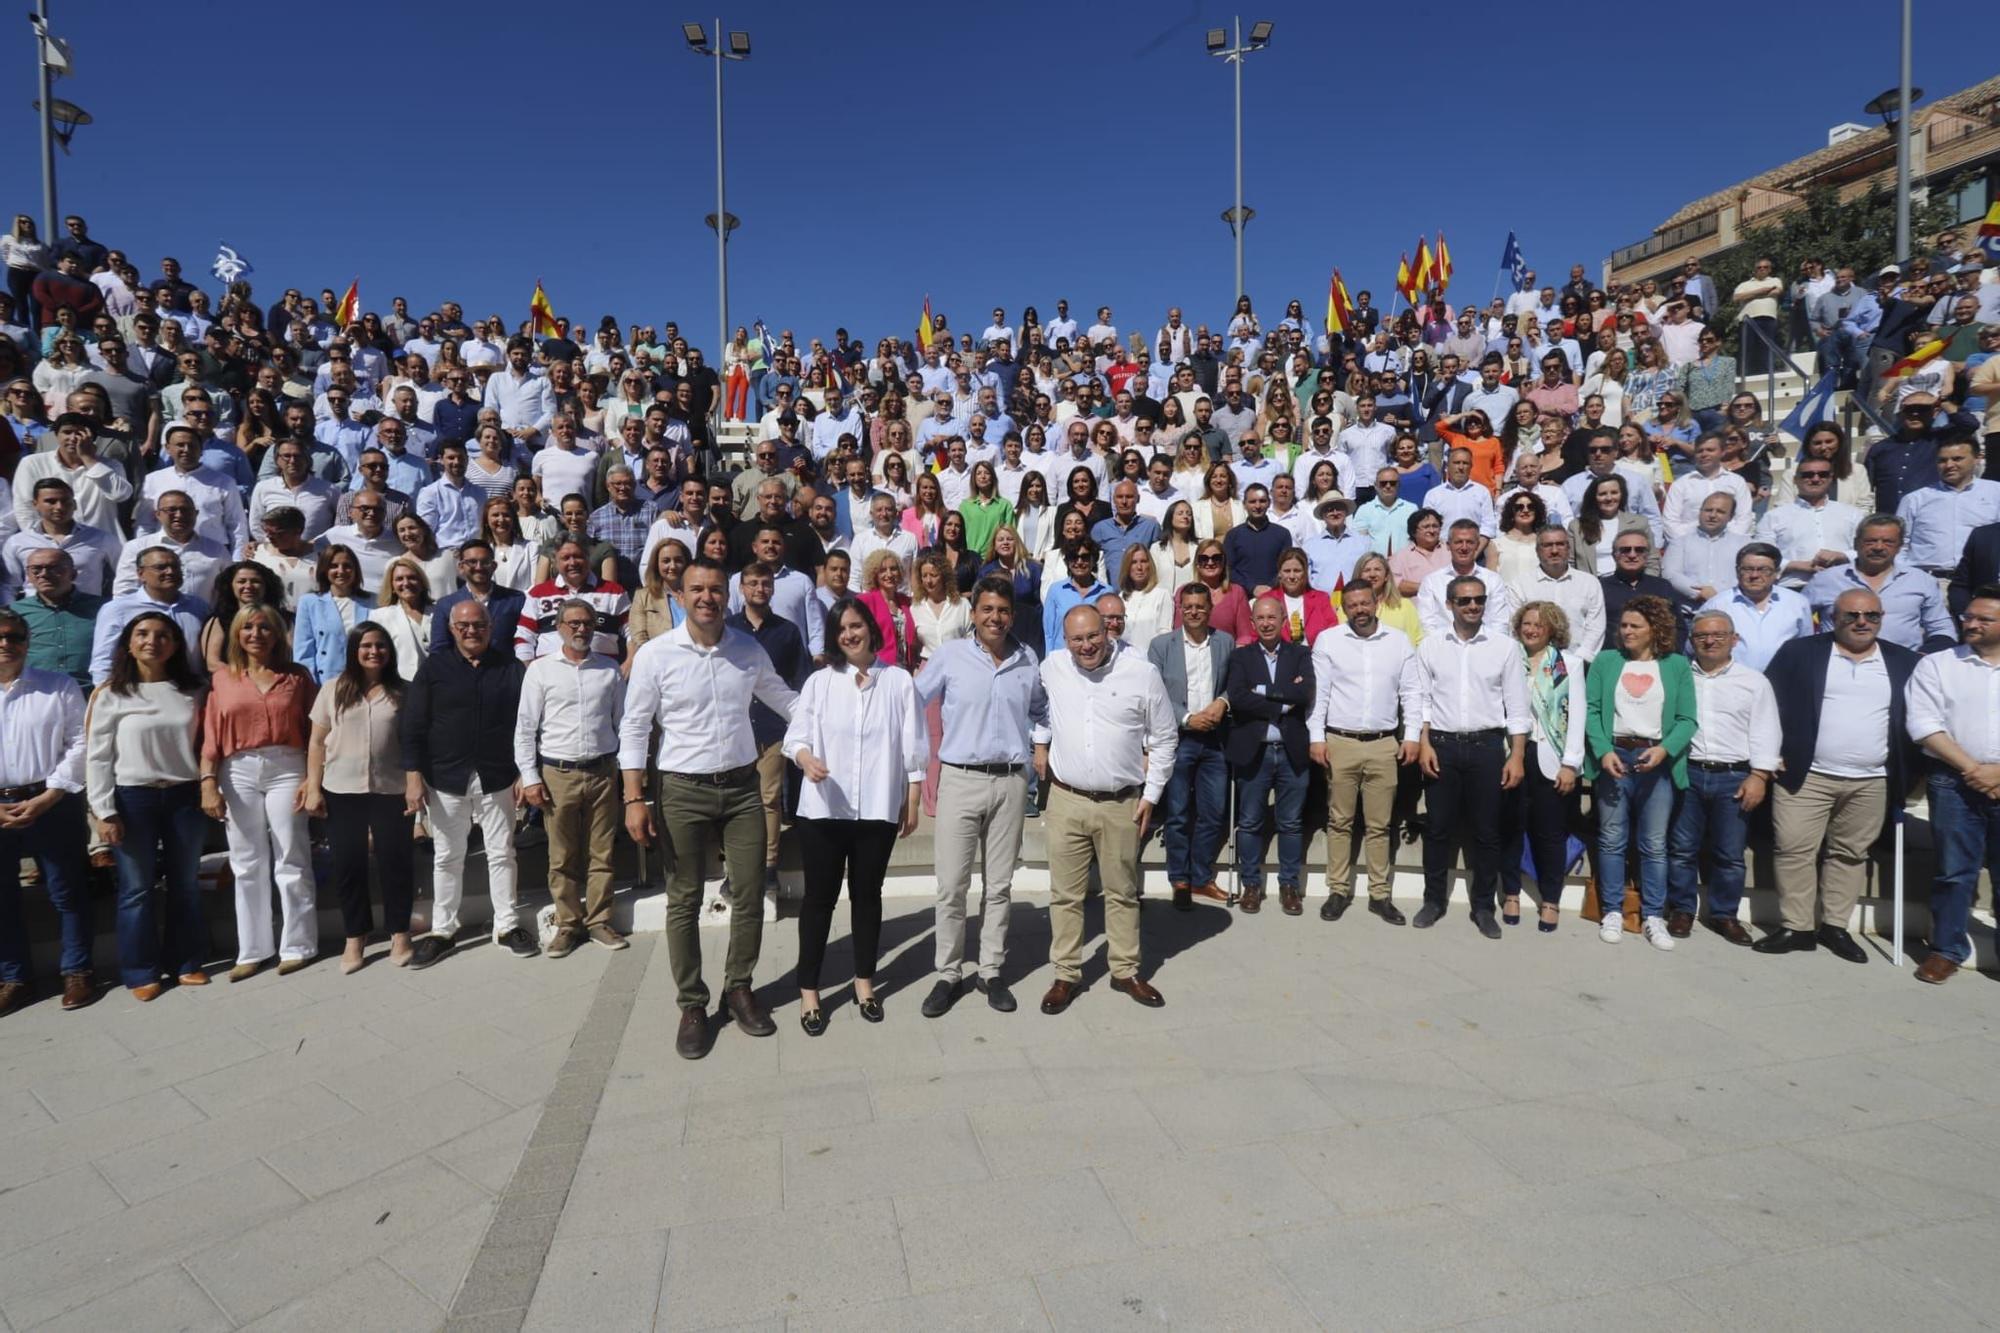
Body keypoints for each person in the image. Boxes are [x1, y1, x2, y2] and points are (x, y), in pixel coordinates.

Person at [621, 559, 800, 1060]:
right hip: (682, 790)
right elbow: (634, 729)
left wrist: (837, 713)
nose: (707, 598)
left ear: (730, 596)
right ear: (680, 595)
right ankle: (693, 1004)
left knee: (749, 894)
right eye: (697, 589)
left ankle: (739, 988)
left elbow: (785, 700)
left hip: (743, 788)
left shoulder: (747, 649)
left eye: (716, 589)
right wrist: (635, 798)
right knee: (683, 900)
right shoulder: (657, 656)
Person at [1755, 589, 1921, 961]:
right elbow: (1766, 702)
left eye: (1872, 616)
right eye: (1852, 615)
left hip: (1872, 779)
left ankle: (1835, 927)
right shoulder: (1800, 653)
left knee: (1849, 854)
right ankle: (1797, 927)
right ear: (1834, 617)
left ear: (1881, 617)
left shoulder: (1903, 662)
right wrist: (1771, 754)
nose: (1862, 622)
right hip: (1806, 774)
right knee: (1794, 849)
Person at [785, 597, 925, 1034]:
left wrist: (913, 797)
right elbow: (797, 736)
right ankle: (809, 989)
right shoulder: (820, 683)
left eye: (856, 625)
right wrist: (806, 758)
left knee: (868, 897)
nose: (849, 634)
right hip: (824, 810)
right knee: (819, 901)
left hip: (877, 810)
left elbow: (914, 744)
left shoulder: (898, 681)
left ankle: (865, 983)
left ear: (870, 627)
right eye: (841, 628)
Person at [1034, 604, 1176, 1014]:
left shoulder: (1140, 673)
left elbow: (1165, 738)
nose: (1086, 646)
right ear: (1065, 640)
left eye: (1093, 636)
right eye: (1076, 639)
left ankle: (1125, 970)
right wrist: (1039, 743)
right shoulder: (1053, 667)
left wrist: (1151, 794)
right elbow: (1040, 711)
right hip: (1066, 799)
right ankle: (1065, 973)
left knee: (1123, 892)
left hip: (1122, 803)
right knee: (1065, 894)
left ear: (1109, 630)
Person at [915, 576, 1046, 1014]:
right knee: (952, 886)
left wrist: (1039, 745)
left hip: (1010, 781)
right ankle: (947, 973)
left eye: (1003, 610)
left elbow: (1041, 709)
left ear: (1012, 614)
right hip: (960, 779)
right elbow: (913, 699)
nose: (995, 618)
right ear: (974, 613)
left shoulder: (1026, 659)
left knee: (1000, 886)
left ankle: (991, 970)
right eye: (987, 609)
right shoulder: (951, 656)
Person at [401, 599, 537, 969]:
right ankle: (443, 932)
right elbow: (413, 726)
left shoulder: (510, 668)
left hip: (498, 775)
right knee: (447, 856)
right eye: (464, 626)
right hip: (445, 777)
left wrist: (525, 771)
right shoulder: (434, 669)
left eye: (479, 625)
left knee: (502, 851)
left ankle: (507, 926)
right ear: (452, 629)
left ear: (490, 628)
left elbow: (525, 725)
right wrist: (413, 777)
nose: (472, 631)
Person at [84, 612, 211, 1000]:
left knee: (185, 884)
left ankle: (186, 962)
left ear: (175, 644)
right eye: (142, 634)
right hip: (132, 797)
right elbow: (97, 756)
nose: (152, 641)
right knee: (136, 888)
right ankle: (140, 970)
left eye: (162, 635)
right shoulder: (111, 694)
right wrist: (103, 811)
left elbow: (206, 745)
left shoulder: (194, 691)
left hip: (183, 796)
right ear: (128, 642)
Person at [1410, 573, 1529, 938]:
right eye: (1465, 601)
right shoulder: (1431, 646)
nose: (1473, 606)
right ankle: (1433, 901)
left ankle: (1482, 907)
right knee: (1438, 828)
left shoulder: (1504, 647)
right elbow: (1422, 701)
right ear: (1450, 605)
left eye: (1479, 600)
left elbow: (1517, 706)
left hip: (1487, 748)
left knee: (1487, 832)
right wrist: (1424, 743)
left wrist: (1517, 756)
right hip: (1442, 746)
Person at [515, 598, 629, 958]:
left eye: (588, 622)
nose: (582, 629)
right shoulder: (540, 670)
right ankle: (568, 924)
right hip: (557, 774)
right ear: (559, 626)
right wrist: (530, 778)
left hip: (602, 772)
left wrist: (627, 773)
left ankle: (599, 921)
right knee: (561, 855)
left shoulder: (609, 670)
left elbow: (624, 723)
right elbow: (525, 729)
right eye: (574, 623)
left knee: (602, 852)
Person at [1583, 596, 1698, 950]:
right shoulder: (1606, 661)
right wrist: (1602, 752)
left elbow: (1686, 719)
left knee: (1653, 844)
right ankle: (1613, 911)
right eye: (1624, 625)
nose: (1627, 631)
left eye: (1636, 626)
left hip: (1656, 758)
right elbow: (1591, 709)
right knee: (1612, 839)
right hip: (1615, 756)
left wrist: (1664, 750)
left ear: (1655, 630)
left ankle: (1652, 915)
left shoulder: (1676, 665)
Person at [301, 623, 415, 973]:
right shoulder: (334, 689)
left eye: (381, 645)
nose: (374, 651)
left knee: (395, 864)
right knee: (348, 865)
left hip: (390, 788)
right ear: (354, 650)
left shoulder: (403, 691)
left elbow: (412, 744)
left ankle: (399, 932)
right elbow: (317, 742)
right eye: (366, 645)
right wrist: (314, 786)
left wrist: (414, 784)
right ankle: (356, 936)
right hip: (342, 789)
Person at [0, 610, 96, 1014]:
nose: (6, 643)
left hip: (51, 802)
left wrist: (49, 796)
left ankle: (77, 972)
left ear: (27, 640)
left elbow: (79, 743)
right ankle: (14, 978)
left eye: (14, 636)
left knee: (67, 892)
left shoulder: (57, 686)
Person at [1667, 612, 1780, 946]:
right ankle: (1682, 909)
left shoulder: (1753, 681)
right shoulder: (1680, 676)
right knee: (1682, 848)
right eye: (1701, 635)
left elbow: (1766, 730)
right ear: (1691, 640)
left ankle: (1724, 915)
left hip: (1734, 776)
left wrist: (1759, 775)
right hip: (1688, 771)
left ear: (1734, 639)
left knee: (1729, 853)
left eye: (1718, 635)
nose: (1709, 640)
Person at [1308, 582, 1418, 923]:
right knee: (1339, 821)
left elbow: (1412, 693)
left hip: (1385, 743)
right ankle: (1338, 890)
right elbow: (1320, 694)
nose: (1359, 610)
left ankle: (1379, 894)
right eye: (1352, 605)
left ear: (1377, 603)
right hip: (1340, 741)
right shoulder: (1330, 640)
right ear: (1345, 607)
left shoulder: (1398, 642)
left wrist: (1411, 735)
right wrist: (1316, 737)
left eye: (1364, 603)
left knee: (1379, 824)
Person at [1907, 587, 2000, 985]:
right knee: (1953, 871)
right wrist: (1974, 769)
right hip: (1953, 782)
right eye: (1967, 617)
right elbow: (1925, 725)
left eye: (1984, 619)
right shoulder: (1939, 664)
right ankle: (1946, 949)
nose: (1971, 624)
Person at [1222, 596, 1315, 915]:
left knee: (1290, 823)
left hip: (1291, 751)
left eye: (1272, 617)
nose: (1266, 623)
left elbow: (1306, 693)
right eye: (1259, 618)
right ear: (1252, 621)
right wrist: (1282, 699)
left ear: (1283, 619)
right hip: (1255, 751)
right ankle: (1251, 885)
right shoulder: (1241, 657)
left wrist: (1260, 692)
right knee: (1249, 823)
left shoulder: (1301, 653)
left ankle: (1289, 886)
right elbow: (1237, 697)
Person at [1147, 582, 1234, 913]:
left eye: (1200, 606)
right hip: (1179, 738)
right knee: (1179, 813)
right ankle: (1179, 880)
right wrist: (1185, 718)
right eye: (1188, 607)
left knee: (1213, 813)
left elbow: (1232, 684)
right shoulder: (1161, 646)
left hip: (1214, 739)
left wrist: (1223, 702)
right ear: (1179, 609)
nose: (1194, 612)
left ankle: (1200, 875)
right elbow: (1154, 693)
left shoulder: (1224, 642)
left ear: (1210, 608)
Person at [729, 559, 813, 894]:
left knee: (768, 799)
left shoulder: (787, 631)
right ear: (742, 588)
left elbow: (800, 681)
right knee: (735, 801)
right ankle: (734, 868)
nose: (759, 589)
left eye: (765, 583)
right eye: (753, 583)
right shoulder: (728, 629)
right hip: (735, 728)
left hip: (773, 727)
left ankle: (768, 867)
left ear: (773, 588)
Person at [1806, 514, 1954, 653]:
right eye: (1870, 541)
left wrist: (1921, 657)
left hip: (1903, 666)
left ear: (1900, 546)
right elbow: (1798, 621)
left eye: (1888, 542)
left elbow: (1942, 629)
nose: (1878, 547)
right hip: (1837, 664)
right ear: (1856, 544)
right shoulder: (1825, 580)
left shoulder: (1922, 581)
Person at [1699, 543, 1815, 671]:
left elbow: (1807, 647)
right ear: (1737, 572)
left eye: (1763, 570)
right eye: (1747, 569)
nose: (1754, 575)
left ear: (1776, 573)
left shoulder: (1797, 603)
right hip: (1732, 683)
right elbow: (1696, 648)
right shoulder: (1717, 605)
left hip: (1784, 681)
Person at [1897, 439, 2000, 578]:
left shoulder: (1995, 493)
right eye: (1942, 460)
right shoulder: (1915, 499)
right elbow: (1900, 543)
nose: (1949, 465)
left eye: (1957, 459)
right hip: (1929, 581)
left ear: (1977, 458)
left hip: (1982, 582)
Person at [1417, 519, 1513, 636]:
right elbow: (1427, 625)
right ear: (1448, 545)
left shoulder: (1493, 580)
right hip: (1443, 647)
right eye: (1458, 542)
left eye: (1469, 542)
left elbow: (1499, 623)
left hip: (1485, 647)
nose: (1464, 547)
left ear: (1477, 545)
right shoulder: (1431, 581)